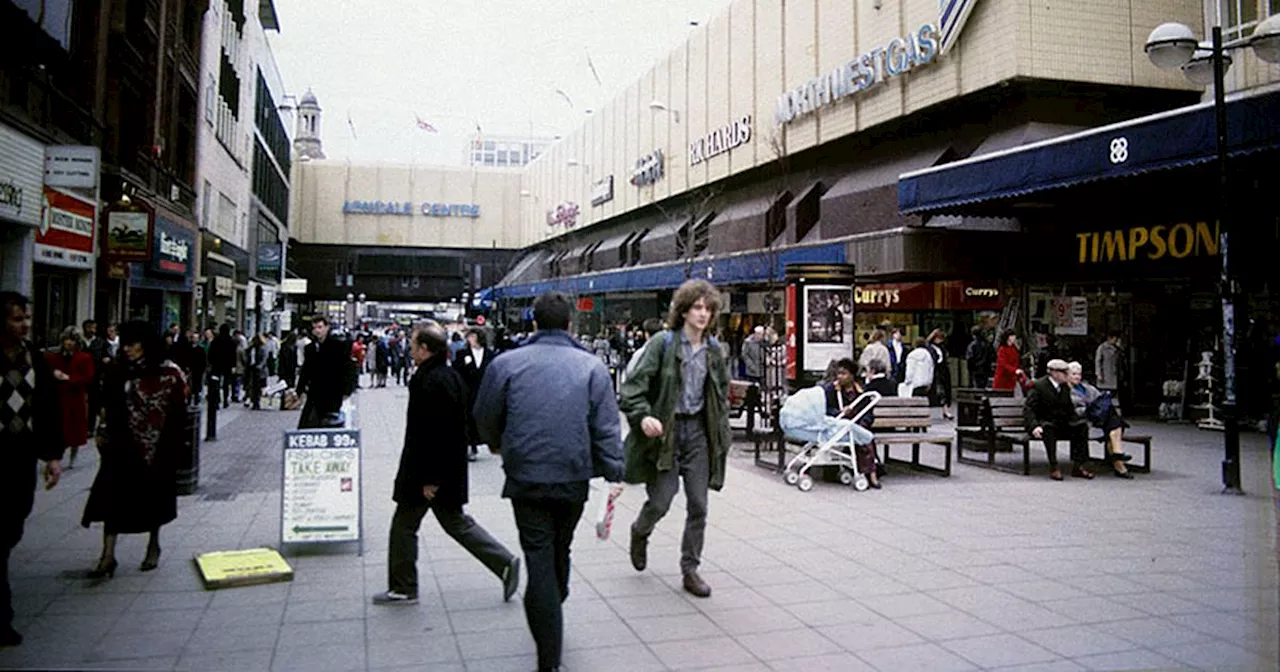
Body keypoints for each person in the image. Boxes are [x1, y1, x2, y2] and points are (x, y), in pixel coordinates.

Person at [473, 291, 624, 672]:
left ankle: (549, 654)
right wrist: (614, 472)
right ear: (570, 323)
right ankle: (555, 600)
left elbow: (484, 414)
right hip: (573, 474)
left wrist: (497, 443)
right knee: (561, 546)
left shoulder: (507, 364)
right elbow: (606, 426)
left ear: (534, 322)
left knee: (538, 555)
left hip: (526, 474)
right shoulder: (591, 367)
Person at [374, 324, 521, 605]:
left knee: (405, 526)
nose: (411, 350)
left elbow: (433, 433)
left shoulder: (430, 381)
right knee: (455, 523)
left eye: (414, 345)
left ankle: (404, 586)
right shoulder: (447, 376)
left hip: (427, 473)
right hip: (443, 469)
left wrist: (430, 479)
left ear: (425, 349)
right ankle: (503, 561)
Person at [620, 279, 731, 600]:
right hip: (666, 434)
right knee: (661, 500)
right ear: (682, 311)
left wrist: (720, 432)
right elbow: (633, 388)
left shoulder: (713, 350)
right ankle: (640, 531)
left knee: (699, 504)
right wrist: (644, 417)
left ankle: (690, 569)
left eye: (708, 308)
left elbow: (720, 394)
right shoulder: (663, 344)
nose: (703, 314)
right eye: (697, 307)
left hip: (698, 433)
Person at [82, 321, 186, 578]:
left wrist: (176, 445)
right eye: (125, 343)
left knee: (154, 498)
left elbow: (179, 412)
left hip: (157, 446)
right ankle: (107, 555)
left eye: (133, 344)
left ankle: (153, 544)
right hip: (122, 443)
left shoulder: (168, 373)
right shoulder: (118, 370)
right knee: (112, 498)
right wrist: (103, 431)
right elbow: (108, 403)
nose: (127, 349)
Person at [1, 293, 64, 647]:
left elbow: (47, 407)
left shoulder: (33, 358)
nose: (24, 324)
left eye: (26, 317)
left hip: (19, 455)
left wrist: (53, 456)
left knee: (12, 525)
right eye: (16, 319)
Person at [1024, 358, 1093, 481]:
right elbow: (1029, 409)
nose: (1067, 376)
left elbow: (1069, 408)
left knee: (1082, 427)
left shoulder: (1064, 387)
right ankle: (1054, 466)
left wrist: (1076, 420)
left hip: (1062, 423)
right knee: (1048, 429)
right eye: (1064, 373)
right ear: (1055, 373)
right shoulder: (1039, 386)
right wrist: (1034, 426)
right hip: (1045, 423)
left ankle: (1079, 465)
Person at [1067, 361, 1133, 479]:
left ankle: (1117, 455)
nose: (1077, 377)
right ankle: (1118, 463)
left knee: (1112, 418)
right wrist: (1089, 408)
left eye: (1079, 374)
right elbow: (1072, 410)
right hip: (1083, 420)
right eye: (1074, 374)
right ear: (1067, 375)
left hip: (1099, 419)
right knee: (1113, 421)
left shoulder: (1087, 388)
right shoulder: (1066, 391)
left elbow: (1100, 400)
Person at [823, 358, 881, 489]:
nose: (840, 377)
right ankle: (870, 473)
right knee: (863, 438)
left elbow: (868, 413)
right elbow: (826, 409)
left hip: (857, 425)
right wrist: (840, 412)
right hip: (839, 425)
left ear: (852, 376)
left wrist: (864, 423)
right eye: (839, 373)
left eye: (844, 374)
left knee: (864, 436)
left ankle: (871, 473)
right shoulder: (832, 390)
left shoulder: (862, 391)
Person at [45, 326, 95, 469]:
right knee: (58, 429)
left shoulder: (84, 358)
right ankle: (56, 457)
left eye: (72, 340)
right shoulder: (54, 357)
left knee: (75, 431)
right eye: (66, 339)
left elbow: (88, 377)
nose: (68, 343)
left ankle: (73, 458)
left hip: (75, 398)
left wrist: (69, 378)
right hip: (58, 397)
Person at [297, 316, 355, 429]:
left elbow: (348, 369)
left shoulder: (338, 346)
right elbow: (306, 370)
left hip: (333, 392)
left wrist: (347, 390)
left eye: (320, 327)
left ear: (327, 327)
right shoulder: (310, 348)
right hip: (314, 393)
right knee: (308, 424)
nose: (317, 331)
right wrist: (300, 390)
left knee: (330, 424)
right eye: (314, 328)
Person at [453, 328, 493, 462]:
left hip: (483, 391)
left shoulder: (489, 354)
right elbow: (456, 371)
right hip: (467, 391)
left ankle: (476, 442)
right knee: (467, 418)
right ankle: (469, 445)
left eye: (472, 336)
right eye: (469, 336)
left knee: (478, 418)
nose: (470, 339)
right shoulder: (462, 354)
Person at [926, 328, 954, 420]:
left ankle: (946, 410)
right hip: (934, 371)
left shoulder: (942, 347)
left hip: (942, 371)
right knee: (934, 392)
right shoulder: (929, 347)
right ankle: (928, 411)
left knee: (944, 392)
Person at [209, 324, 238, 409]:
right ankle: (225, 400)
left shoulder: (216, 340)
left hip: (216, 364)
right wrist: (233, 365)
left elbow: (211, 353)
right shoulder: (231, 341)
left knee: (216, 383)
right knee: (226, 383)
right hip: (227, 365)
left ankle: (217, 400)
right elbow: (233, 355)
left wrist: (211, 362)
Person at [244, 334, 269, 410]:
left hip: (259, 371)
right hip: (251, 369)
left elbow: (264, 359)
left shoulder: (262, 348)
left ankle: (256, 402)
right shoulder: (251, 348)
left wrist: (259, 366)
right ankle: (252, 400)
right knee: (252, 386)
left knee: (258, 387)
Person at [1095, 331, 1122, 397]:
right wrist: (1099, 374)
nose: (1115, 341)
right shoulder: (1102, 348)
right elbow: (1098, 361)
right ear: (1110, 338)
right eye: (1114, 340)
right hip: (1105, 374)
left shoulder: (1116, 348)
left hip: (1114, 375)